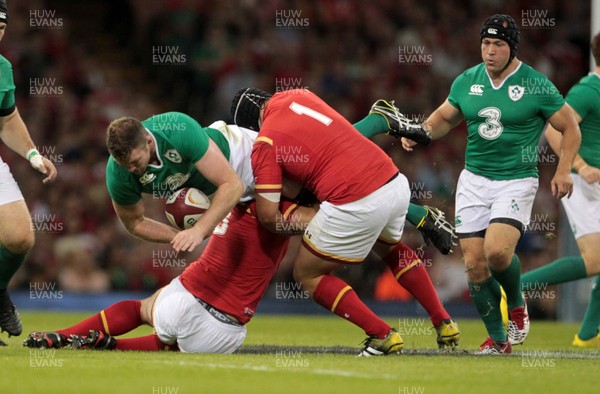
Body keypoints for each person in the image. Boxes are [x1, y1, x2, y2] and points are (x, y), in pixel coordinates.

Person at [232, 86, 459, 356]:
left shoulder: (265, 142)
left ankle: (382, 334)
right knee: (389, 248)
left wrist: (298, 217)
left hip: (356, 200)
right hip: (392, 180)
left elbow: (269, 217)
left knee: (307, 274)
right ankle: (443, 321)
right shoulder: (299, 94)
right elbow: (339, 139)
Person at [401, 14, 581, 354]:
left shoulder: (536, 84)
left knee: (497, 252)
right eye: (485, 43)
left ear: (512, 48)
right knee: (474, 263)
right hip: (473, 179)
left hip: (515, 180)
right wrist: (420, 132)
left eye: (498, 44)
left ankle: (515, 305)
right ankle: (499, 341)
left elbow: (570, 127)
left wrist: (563, 169)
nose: (490, 51)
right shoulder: (467, 81)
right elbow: (443, 119)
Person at [24, 200, 307, 353]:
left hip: (183, 299)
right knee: (175, 343)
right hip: (223, 334)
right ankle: (114, 345)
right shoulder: (286, 213)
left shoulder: (235, 194)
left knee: (141, 308)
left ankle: (64, 335)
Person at [520, 31, 600, 348]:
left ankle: (588, 332)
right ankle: (516, 286)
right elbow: (554, 132)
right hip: (585, 183)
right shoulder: (587, 90)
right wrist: (578, 167)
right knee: (594, 261)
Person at [0, 2, 58, 345]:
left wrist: (33, 154)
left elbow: (6, 119)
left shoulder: (2, 68)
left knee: (20, 236)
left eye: (2, 27)